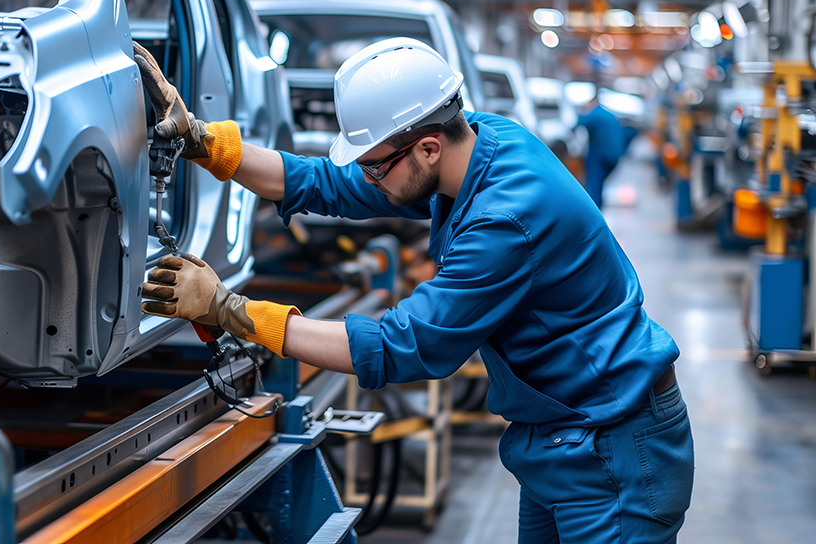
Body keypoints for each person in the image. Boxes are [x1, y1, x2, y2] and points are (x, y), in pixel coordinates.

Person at [134, 38, 693, 543]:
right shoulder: (477, 142)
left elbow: (405, 345)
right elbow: (331, 183)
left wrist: (230, 310)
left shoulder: (506, 218)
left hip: (613, 448)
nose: (370, 179)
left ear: (427, 148)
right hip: (561, 433)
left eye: (376, 167)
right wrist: (203, 141)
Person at [577, 93, 624, 209]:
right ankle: (598, 208)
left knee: (593, 185)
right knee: (599, 184)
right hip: (615, 156)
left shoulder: (594, 114)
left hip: (600, 156)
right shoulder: (608, 115)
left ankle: (593, 211)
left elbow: (576, 123)